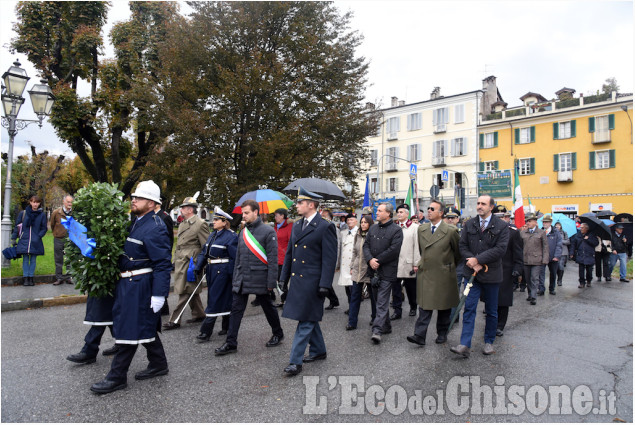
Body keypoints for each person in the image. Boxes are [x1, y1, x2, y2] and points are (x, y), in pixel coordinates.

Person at [90, 180, 171, 394]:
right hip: (128, 283)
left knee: (129, 329)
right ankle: (159, 363)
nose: (133, 200)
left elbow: (162, 264)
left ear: (153, 204)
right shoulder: (136, 222)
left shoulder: (155, 227)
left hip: (140, 285)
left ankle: (116, 377)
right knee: (143, 325)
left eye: (140, 198)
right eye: (134, 197)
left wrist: (159, 295)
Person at [280, 187, 337, 376]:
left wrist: (325, 285)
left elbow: (329, 259)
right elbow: (290, 254)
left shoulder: (325, 226)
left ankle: (295, 361)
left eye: (299, 203)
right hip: (298, 281)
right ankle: (318, 350)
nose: (296, 206)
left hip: (313, 282)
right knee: (309, 317)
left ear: (311, 205)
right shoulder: (297, 225)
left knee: (305, 321)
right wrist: (283, 278)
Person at [215, 199, 284, 356]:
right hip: (242, 277)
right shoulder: (243, 231)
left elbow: (273, 259)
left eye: (246, 213)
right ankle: (231, 342)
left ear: (255, 212)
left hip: (260, 276)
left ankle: (278, 333)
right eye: (242, 213)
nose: (243, 216)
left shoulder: (268, 231)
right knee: (236, 309)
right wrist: (236, 276)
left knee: (268, 307)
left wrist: (271, 282)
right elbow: (238, 256)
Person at [450, 195, 509, 357]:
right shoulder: (469, 224)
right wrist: (471, 260)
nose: (479, 206)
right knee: (469, 308)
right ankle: (464, 344)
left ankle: (489, 341)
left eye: (483, 204)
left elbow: (500, 249)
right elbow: (462, 245)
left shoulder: (502, 226)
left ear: (491, 207)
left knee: (491, 310)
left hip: (492, 274)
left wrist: (478, 259)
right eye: (478, 203)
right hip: (471, 275)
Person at [406, 199, 460, 346]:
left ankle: (442, 333)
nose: (428, 211)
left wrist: (447, 266)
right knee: (424, 306)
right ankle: (419, 335)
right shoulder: (421, 229)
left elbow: (458, 254)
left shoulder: (451, 231)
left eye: (432, 209)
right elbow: (421, 250)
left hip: (444, 274)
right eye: (428, 208)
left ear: (441, 213)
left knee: (443, 306)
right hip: (426, 273)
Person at [163, 195, 209, 330]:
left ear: (190, 209)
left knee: (185, 290)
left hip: (191, 263)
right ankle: (199, 314)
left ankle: (174, 320)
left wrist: (201, 264)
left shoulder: (200, 224)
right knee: (189, 288)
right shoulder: (183, 223)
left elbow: (205, 246)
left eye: (183, 208)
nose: (181, 210)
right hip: (181, 261)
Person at [195, 207, 237, 342]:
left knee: (214, 300)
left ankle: (206, 331)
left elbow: (234, 258)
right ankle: (227, 326)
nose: (214, 222)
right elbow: (204, 252)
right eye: (214, 219)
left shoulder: (231, 236)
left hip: (223, 271)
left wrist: (231, 275)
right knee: (223, 299)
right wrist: (198, 266)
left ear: (225, 222)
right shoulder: (212, 235)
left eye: (217, 220)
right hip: (212, 270)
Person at [363, 202, 403, 345]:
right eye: (377, 211)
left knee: (382, 301)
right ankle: (386, 325)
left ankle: (377, 330)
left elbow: (394, 250)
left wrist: (377, 260)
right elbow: (366, 245)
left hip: (387, 271)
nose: (377, 213)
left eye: (380, 211)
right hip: (373, 270)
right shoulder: (373, 228)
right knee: (376, 299)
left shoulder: (396, 230)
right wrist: (370, 260)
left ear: (388, 213)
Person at [493, 207, 523, 337]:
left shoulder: (513, 233)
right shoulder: (489, 231)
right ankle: (491, 323)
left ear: (506, 218)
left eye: (502, 217)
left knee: (503, 300)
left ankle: (500, 325)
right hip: (491, 270)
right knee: (491, 299)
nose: (500, 220)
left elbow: (518, 253)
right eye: (497, 217)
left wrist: (517, 269)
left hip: (506, 270)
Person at [11, 195, 48, 287]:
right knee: (25, 259)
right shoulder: (23, 213)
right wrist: (13, 238)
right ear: (30, 202)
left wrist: (38, 236)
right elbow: (17, 226)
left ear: (39, 203)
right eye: (33, 202)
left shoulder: (42, 215)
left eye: (37, 202)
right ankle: (25, 278)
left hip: (35, 240)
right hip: (24, 239)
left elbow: (44, 228)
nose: (35, 204)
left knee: (33, 259)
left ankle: (31, 277)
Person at [393, 204, 420, 319]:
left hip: (408, 263)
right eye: (398, 212)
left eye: (401, 212)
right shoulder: (394, 227)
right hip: (395, 264)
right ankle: (397, 310)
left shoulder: (414, 227)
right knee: (396, 289)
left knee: (411, 289)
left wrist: (416, 264)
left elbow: (417, 246)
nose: (399, 214)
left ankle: (413, 307)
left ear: (407, 214)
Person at [348, 215, 374, 330]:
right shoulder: (357, 235)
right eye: (362, 222)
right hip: (357, 269)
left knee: (373, 297)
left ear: (370, 224)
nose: (363, 224)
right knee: (355, 297)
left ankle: (375, 318)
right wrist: (352, 266)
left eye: (365, 222)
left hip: (369, 269)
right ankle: (352, 322)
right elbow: (354, 251)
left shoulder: (373, 235)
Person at [519, 213, 549, 305]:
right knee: (528, 279)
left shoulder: (541, 232)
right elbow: (519, 247)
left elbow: (545, 247)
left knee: (534, 278)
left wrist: (545, 260)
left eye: (529, 221)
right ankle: (529, 294)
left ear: (535, 222)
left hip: (537, 260)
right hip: (526, 259)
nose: (527, 223)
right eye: (527, 221)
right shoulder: (523, 233)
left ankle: (533, 296)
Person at [154, 198, 174, 316]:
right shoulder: (152, 216)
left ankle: (164, 308)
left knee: (161, 279)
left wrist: (166, 253)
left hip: (162, 253)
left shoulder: (165, 217)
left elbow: (169, 238)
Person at [50, 194, 74, 285]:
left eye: (71, 202)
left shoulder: (74, 213)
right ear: (64, 202)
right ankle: (59, 278)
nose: (70, 203)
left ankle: (69, 277)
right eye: (68, 202)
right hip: (58, 239)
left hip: (70, 240)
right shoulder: (56, 212)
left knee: (69, 259)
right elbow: (52, 225)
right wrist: (56, 233)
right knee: (58, 259)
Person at [336, 213, 358, 312]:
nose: (349, 222)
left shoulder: (359, 232)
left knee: (353, 289)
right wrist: (337, 264)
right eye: (348, 220)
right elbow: (339, 248)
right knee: (347, 288)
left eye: (352, 220)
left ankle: (353, 309)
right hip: (344, 264)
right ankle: (351, 306)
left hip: (353, 265)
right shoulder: (343, 232)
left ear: (356, 221)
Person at [320, 208, 341, 310]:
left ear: (329, 217)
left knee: (324, 283)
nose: (322, 217)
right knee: (325, 282)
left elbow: (336, 247)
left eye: (324, 216)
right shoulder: (321, 226)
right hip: (321, 261)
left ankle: (330, 301)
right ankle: (334, 300)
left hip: (329, 261)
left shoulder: (332, 228)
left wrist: (336, 263)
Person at [273, 208, 293, 308]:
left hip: (285, 259)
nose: (275, 217)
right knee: (278, 281)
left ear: (282, 216)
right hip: (276, 258)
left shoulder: (289, 226)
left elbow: (291, 242)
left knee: (283, 282)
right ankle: (283, 300)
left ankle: (285, 301)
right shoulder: (275, 227)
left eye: (276, 215)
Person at [538, 215, 563, 295]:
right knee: (541, 274)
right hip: (542, 256)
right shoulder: (540, 231)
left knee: (553, 273)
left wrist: (557, 256)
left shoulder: (556, 232)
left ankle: (551, 288)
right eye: (543, 222)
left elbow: (559, 245)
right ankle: (541, 289)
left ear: (550, 223)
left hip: (553, 257)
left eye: (546, 222)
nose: (544, 223)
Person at [570, 223, 599, 288]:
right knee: (581, 270)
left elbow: (596, 243)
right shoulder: (578, 235)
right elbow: (573, 244)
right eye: (581, 227)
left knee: (589, 270)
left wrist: (588, 239)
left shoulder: (591, 235)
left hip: (589, 255)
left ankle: (589, 280)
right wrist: (571, 253)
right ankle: (582, 282)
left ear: (586, 229)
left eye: (582, 228)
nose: (581, 229)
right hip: (581, 254)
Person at [554, 222, 570, 286]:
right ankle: (557, 277)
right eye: (556, 225)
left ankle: (560, 280)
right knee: (556, 266)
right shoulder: (553, 233)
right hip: (555, 251)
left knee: (561, 265)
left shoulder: (564, 233)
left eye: (559, 225)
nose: (557, 226)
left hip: (563, 251)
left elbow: (568, 241)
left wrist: (560, 241)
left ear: (561, 226)